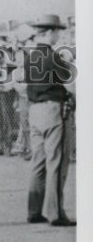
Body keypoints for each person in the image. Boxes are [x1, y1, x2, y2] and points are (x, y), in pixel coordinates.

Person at [25, 14, 76, 226]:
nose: (58, 36)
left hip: (35, 109)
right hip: (53, 109)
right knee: (56, 162)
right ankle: (56, 214)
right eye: (57, 32)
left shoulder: (30, 57)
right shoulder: (53, 57)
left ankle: (34, 211)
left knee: (38, 163)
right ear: (50, 32)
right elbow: (69, 82)